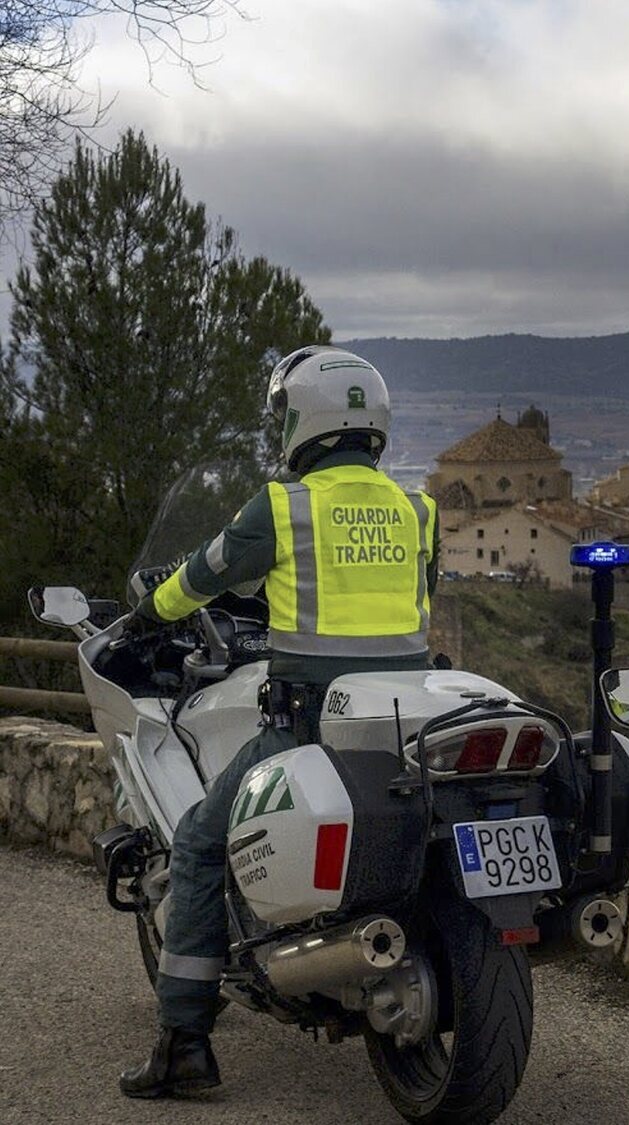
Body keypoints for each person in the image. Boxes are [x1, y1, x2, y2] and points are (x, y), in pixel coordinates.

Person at [120, 345, 438, 1098]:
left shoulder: (285, 505)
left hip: (307, 725)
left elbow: (203, 573)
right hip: (404, 727)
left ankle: (184, 1042)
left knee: (199, 841)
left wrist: (144, 614)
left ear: (303, 420)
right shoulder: (416, 508)